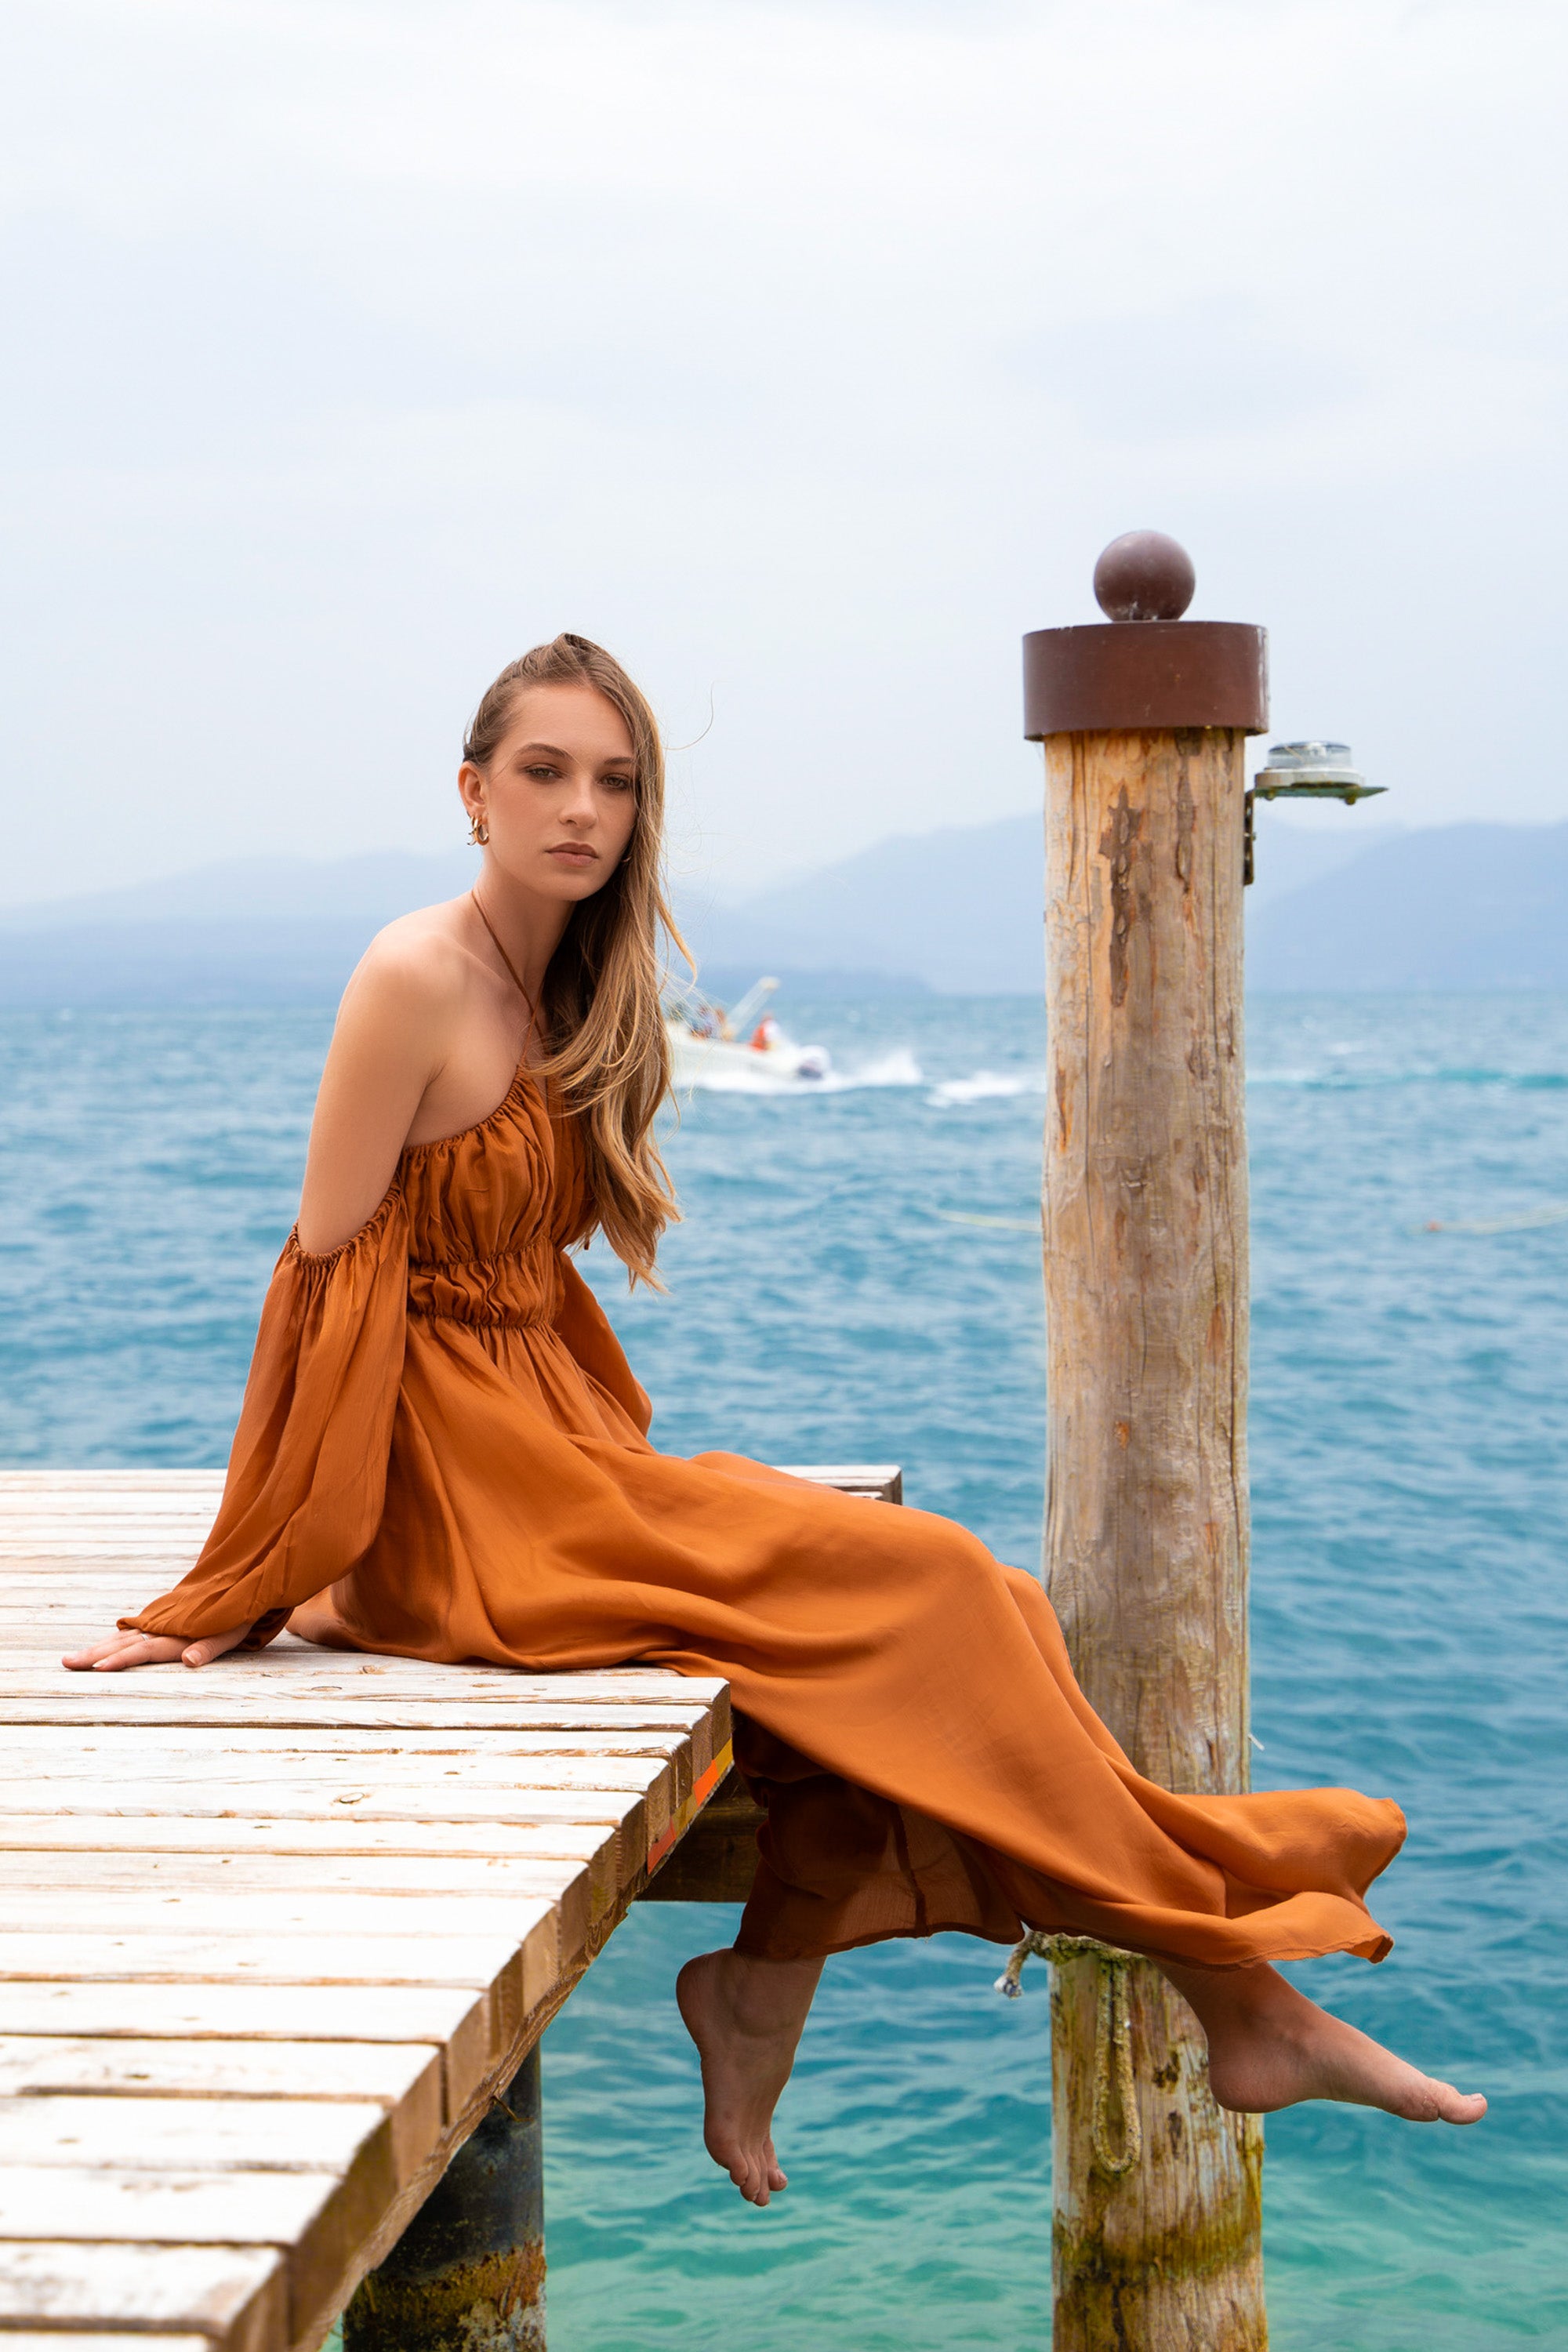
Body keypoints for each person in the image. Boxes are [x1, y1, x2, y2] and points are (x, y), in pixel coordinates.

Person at [64, 634, 1486, 2207]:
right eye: (541, 773)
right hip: (453, 1499)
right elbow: (319, 1281)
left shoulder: (564, 989)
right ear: (471, 794)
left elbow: (530, 1287)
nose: (578, 810)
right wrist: (238, 1582)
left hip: (553, 1457)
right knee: (929, 1582)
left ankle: (777, 1986)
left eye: (614, 781)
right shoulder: (414, 972)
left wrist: (609, 1462)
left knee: (965, 1605)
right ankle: (1242, 1995)